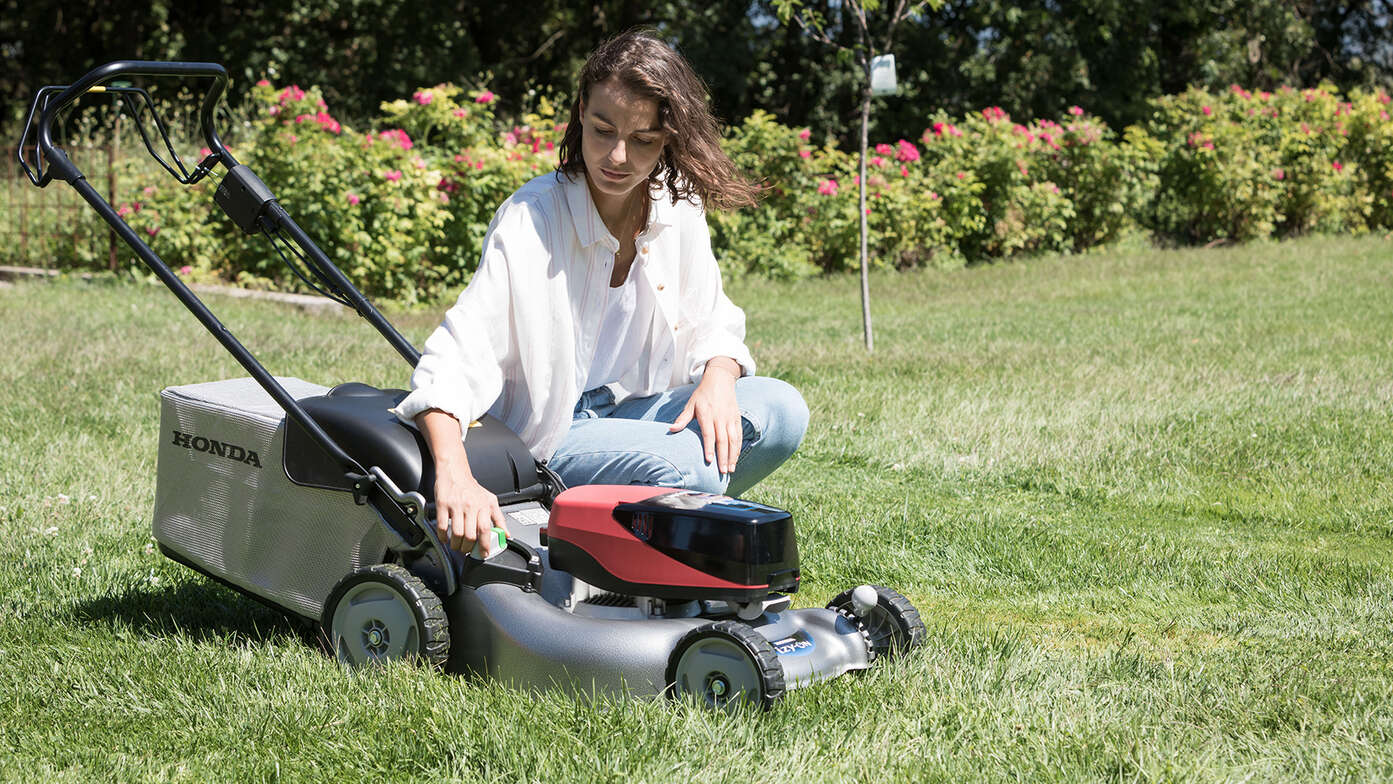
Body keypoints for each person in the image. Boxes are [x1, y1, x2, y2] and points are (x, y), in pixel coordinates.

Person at [390, 29, 809, 554]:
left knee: (783, 409)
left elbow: (714, 322)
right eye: (602, 130)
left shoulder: (677, 209)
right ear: (580, 113)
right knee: (689, 467)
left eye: (643, 141)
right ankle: (650, 532)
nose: (617, 156)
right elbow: (456, 357)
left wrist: (719, 379)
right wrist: (453, 472)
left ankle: (640, 526)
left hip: (640, 411)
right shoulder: (532, 218)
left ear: (669, 139)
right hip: (555, 437)